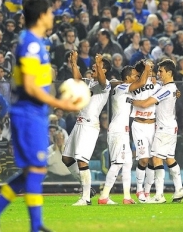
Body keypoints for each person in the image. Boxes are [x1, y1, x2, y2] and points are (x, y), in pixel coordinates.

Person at [0, 1, 81, 232]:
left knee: (33, 171)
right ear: (42, 15)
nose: (53, 15)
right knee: (36, 170)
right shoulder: (31, 44)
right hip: (28, 114)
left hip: (35, 115)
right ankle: (35, 226)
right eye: (51, 11)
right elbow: (31, 87)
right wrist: (60, 103)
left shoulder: (35, 42)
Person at [130, 59, 183, 203]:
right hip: (171, 126)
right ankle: (179, 189)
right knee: (169, 158)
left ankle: (159, 195)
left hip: (164, 128)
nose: (159, 74)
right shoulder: (171, 87)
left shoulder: (167, 89)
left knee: (156, 159)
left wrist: (130, 101)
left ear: (169, 72)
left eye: (161, 71)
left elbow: (144, 104)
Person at [62, 50, 111, 206]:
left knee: (82, 161)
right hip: (79, 123)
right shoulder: (90, 82)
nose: (94, 68)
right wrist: (74, 63)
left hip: (90, 125)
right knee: (67, 158)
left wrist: (99, 62)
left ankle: (86, 198)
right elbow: (77, 79)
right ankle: (87, 189)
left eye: (98, 67)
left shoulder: (106, 85)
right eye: (94, 66)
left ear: (104, 70)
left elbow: (103, 82)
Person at [98, 62, 152, 205]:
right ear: (127, 77)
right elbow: (140, 83)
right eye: (134, 75)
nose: (136, 77)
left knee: (127, 163)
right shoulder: (123, 87)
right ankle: (104, 196)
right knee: (117, 163)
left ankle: (127, 197)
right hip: (117, 131)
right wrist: (146, 68)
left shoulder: (122, 87)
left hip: (122, 131)